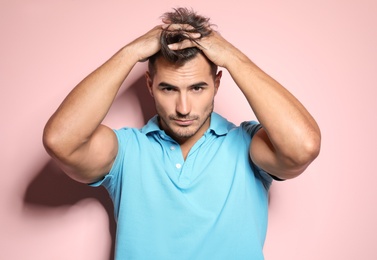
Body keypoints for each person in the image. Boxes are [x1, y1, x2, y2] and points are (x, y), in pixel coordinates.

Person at [43, 7, 321, 260]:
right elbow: (61, 140)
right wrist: (130, 52)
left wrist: (233, 59)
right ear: (150, 84)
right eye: (169, 89)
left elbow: (303, 146)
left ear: (216, 83)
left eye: (197, 88)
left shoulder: (248, 144)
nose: (183, 108)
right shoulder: (127, 150)